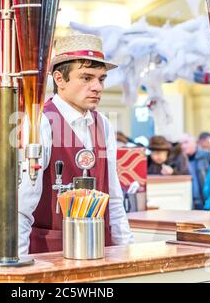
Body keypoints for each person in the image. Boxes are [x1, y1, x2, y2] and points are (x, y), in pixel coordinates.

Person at [18, 34, 134, 255]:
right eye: (86, 78)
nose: (97, 87)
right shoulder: (41, 122)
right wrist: (19, 262)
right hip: (51, 253)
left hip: (100, 250)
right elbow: (22, 205)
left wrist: (126, 250)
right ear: (60, 79)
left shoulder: (104, 124)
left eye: (101, 79)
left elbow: (114, 196)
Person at [180, 133, 210, 210]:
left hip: (205, 202)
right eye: (181, 144)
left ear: (194, 142)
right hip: (189, 205)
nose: (183, 146)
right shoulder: (179, 160)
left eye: (186, 142)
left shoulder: (207, 156)